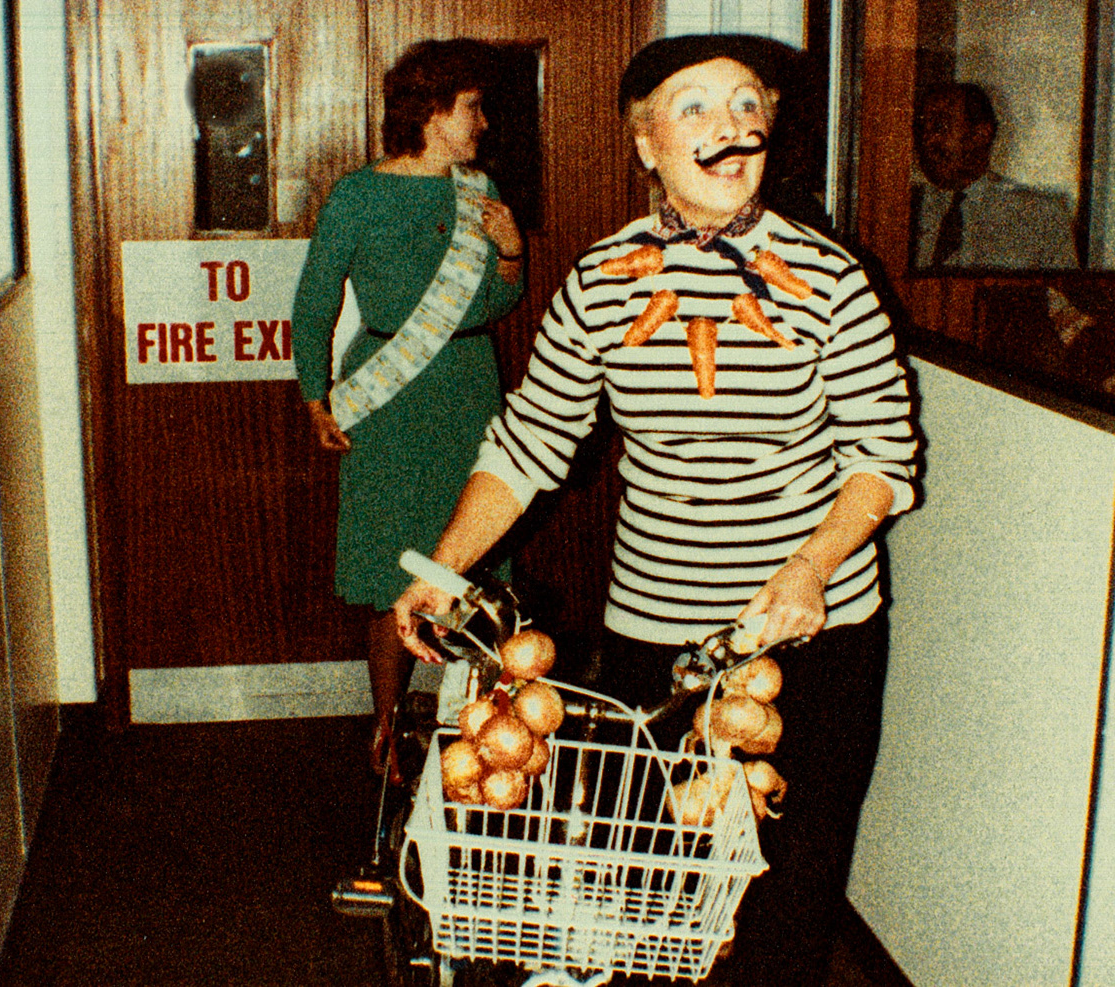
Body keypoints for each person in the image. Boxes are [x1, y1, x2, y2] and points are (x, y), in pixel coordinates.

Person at [394, 34, 919, 986]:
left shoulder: (834, 278)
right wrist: (442, 568)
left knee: (787, 894)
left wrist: (811, 566)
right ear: (646, 146)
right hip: (658, 637)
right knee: (666, 895)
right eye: (696, 110)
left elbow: (883, 460)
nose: (732, 129)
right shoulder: (600, 282)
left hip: (811, 634)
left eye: (746, 106)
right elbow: (528, 443)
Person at [291, 39, 524, 783]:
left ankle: (486, 740)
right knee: (389, 565)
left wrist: (513, 254)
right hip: (387, 396)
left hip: (467, 384)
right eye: (472, 107)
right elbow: (314, 300)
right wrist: (313, 394)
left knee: (478, 564)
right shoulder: (357, 195)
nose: (483, 122)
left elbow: (495, 301)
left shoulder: (477, 190)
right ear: (431, 111)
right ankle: (387, 726)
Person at [912, 82, 1078, 270]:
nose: (927, 141)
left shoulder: (1039, 217)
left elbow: (1059, 297)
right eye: (921, 129)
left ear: (981, 134)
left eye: (940, 126)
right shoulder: (907, 211)